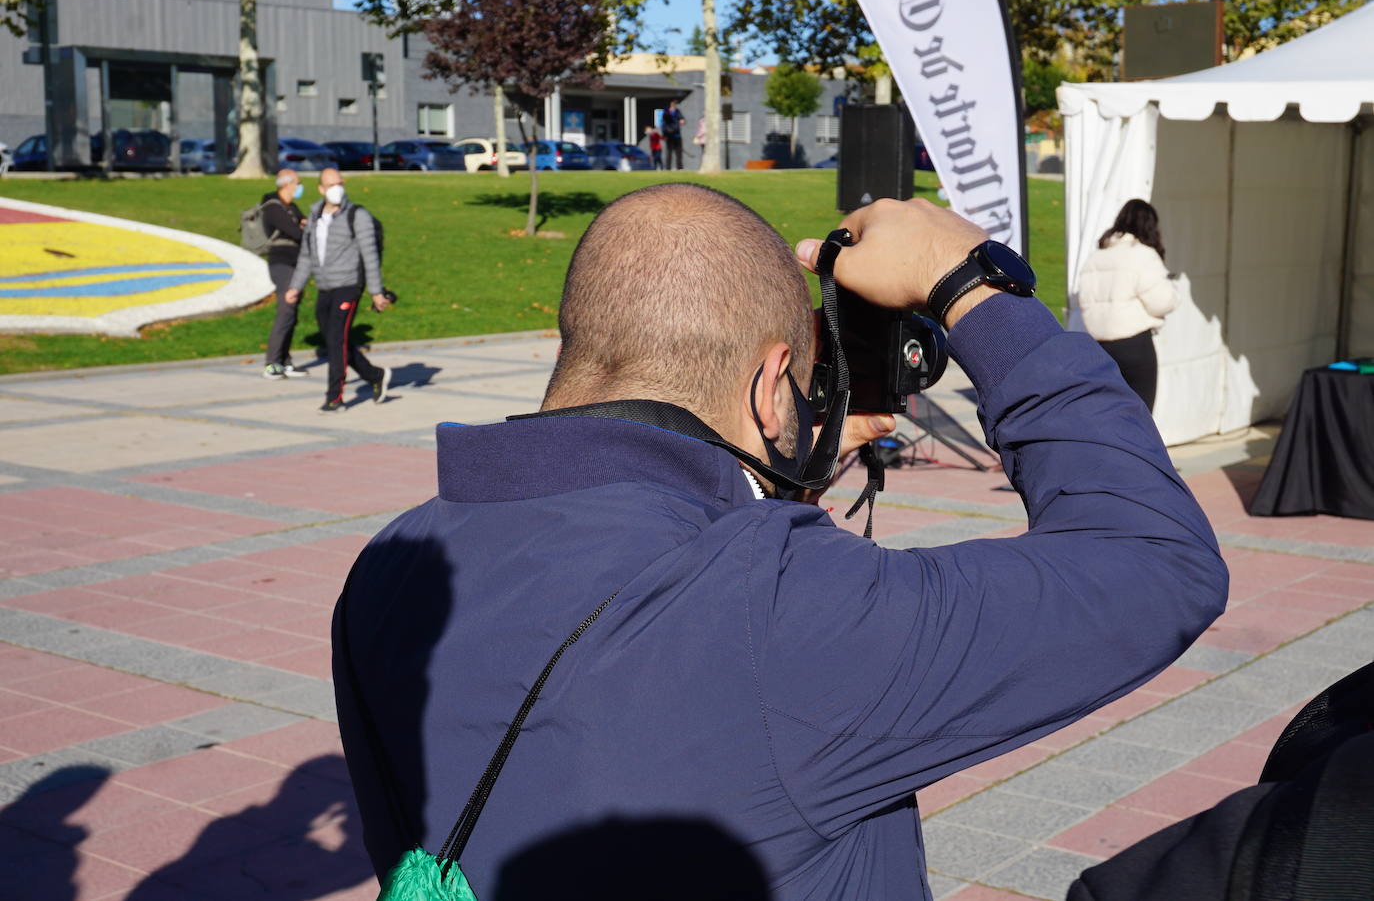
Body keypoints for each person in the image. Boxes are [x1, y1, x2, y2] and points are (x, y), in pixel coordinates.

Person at [334, 186, 1228, 900]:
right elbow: (1156, 557)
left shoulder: (395, 561)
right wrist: (969, 284)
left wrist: (765, 488)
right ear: (772, 387)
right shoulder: (778, 611)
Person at [286, 168, 391, 413]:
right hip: (325, 286)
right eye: (331, 185)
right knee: (335, 339)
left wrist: (376, 292)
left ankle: (335, 397)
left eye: (340, 183)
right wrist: (295, 286)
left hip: (348, 285)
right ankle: (375, 375)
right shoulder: (315, 215)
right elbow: (306, 255)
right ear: (321, 189)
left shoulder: (357, 215)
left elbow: (370, 256)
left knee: (336, 340)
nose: (337, 189)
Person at [1073, 198, 1179, 410]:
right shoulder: (1143, 255)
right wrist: (1174, 289)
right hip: (1135, 347)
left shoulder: (1095, 258)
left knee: (1106, 414)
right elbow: (1163, 302)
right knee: (1140, 417)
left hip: (1099, 347)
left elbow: (1084, 301)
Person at [261, 169, 310, 379]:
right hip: (281, 263)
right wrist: (301, 226)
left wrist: (303, 225)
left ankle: (285, 360)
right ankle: (272, 362)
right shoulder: (273, 207)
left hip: (296, 262)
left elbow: (305, 224)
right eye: (298, 182)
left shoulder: (291, 207)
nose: (300, 186)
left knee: (292, 313)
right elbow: (297, 232)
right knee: (286, 310)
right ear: (287, 184)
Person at [661, 99, 686, 170]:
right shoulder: (666, 112)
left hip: (677, 135)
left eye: (675, 103)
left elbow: (683, 120)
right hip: (669, 136)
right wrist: (664, 135)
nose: (674, 105)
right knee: (669, 152)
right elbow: (664, 124)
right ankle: (668, 167)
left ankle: (679, 167)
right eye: (673, 103)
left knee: (679, 152)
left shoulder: (677, 111)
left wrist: (681, 121)